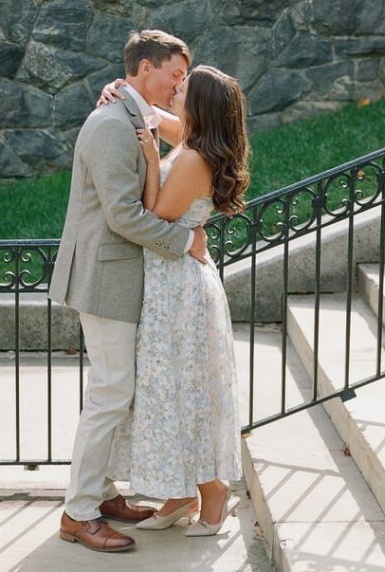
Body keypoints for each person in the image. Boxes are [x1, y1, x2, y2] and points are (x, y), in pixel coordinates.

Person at [49, 30, 209, 553]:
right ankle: (77, 514)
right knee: (111, 393)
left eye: (184, 77)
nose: (179, 83)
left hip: (123, 278)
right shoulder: (111, 124)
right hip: (105, 279)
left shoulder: (133, 114)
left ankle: (100, 494)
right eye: (175, 74)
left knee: (118, 391)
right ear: (145, 68)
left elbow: (195, 131)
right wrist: (184, 240)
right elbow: (121, 216)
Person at [101, 65, 250, 536]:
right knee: (166, 389)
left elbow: (154, 216)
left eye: (182, 88)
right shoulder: (190, 137)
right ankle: (180, 491)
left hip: (180, 290)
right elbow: (149, 114)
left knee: (187, 392)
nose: (173, 91)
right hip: (171, 284)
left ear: (198, 103)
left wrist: (149, 159)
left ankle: (212, 491)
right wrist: (120, 90)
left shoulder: (191, 159)